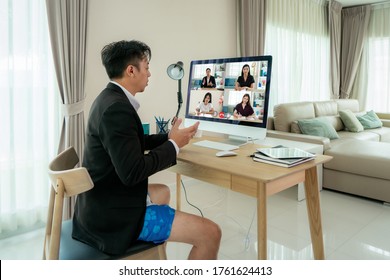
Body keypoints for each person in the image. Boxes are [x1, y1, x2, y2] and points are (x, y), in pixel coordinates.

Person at [72, 40, 221, 260]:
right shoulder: (117, 109)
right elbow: (133, 172)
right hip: (112, 220)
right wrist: (174, 145)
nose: (149, 74)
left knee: (163, 191)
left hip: (98, 205)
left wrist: (169, 137)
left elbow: (133, 141)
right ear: (131, 70)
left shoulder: (108, 99)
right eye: (147, 67)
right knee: (211, 233)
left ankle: (153, 256)